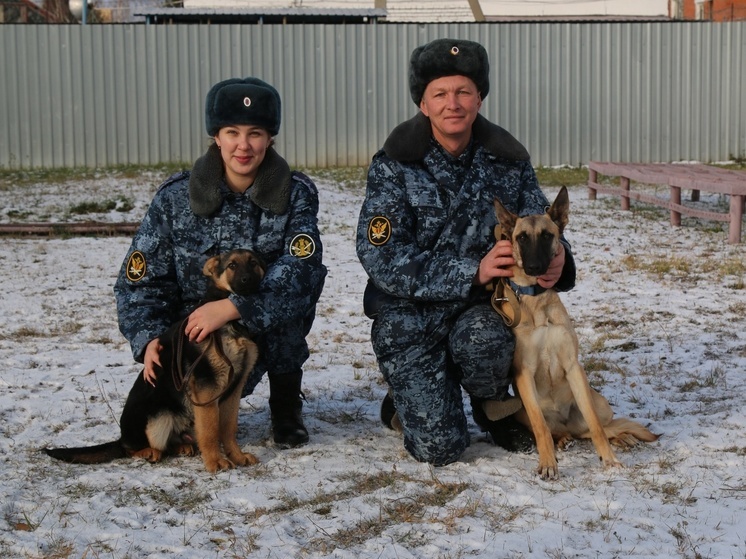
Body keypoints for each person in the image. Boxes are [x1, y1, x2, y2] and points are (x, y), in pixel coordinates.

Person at [356, 39, 576, 466]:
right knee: (439, 448)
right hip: (410, 315)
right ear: (423, 103)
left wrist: (561, 257)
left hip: (481, 310)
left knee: (488, 340)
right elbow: (379, 255)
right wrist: (470, 270)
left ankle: (492, 406)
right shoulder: (394, 164)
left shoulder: (508, 161)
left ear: (480, 98)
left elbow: (542, 223)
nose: (452, 103)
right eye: (440, 93)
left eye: (463, 92)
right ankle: (405, 398)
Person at [115, 77, 327, 448]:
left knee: (293, 295)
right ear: (216, 136)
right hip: (195, 343)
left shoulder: (295, 195)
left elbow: (302, 270)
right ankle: (185, 417)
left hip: (262, 331)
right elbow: (141, 279)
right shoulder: (175, 198)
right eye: (232, 132)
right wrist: (148, 337)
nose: (243, 146)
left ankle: (285, 406)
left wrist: (233, 307)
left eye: (255, 133)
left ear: (270, 139)